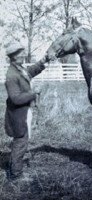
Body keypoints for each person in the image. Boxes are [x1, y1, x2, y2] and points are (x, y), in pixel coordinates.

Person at [4, 42, 48, 181]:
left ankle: (14, 168)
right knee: (21, 141)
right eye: (21, 52)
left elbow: (30, 72)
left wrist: (43, 61)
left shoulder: (19, 69)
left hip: (23, 112)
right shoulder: (11, 75)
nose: (24, 54)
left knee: (22, 140)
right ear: (14, 56)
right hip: (18, 114)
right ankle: (16, 175)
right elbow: (15, 98)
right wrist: (33, 93)